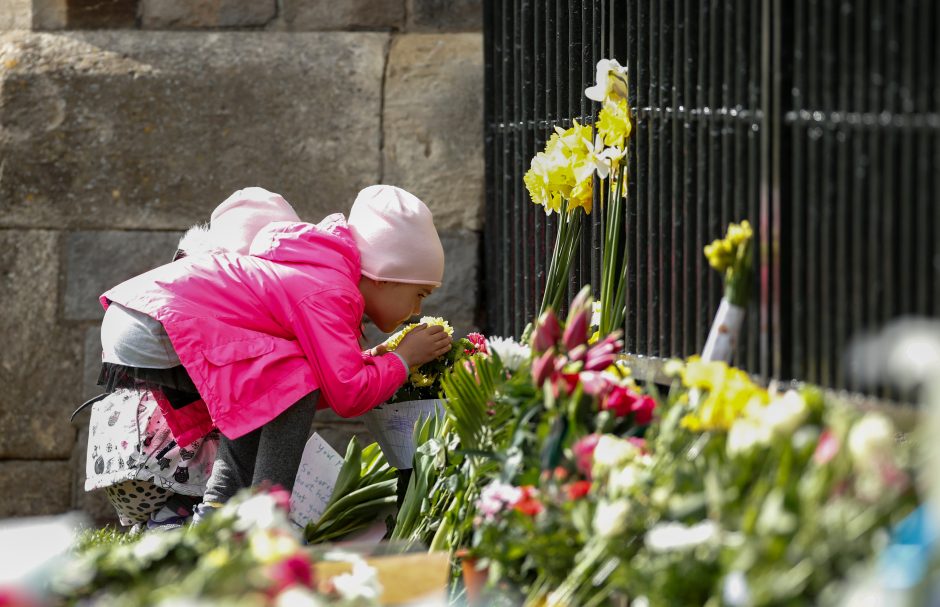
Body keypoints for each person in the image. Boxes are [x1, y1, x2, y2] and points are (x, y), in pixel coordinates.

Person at [91, 184, 451, 524]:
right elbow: (348, 394)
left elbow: (330, 385)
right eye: (418, 294)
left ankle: (219, 517)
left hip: (140, 316)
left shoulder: (319, 275)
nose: (416, 310)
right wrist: (402, 360)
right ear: (383, 276)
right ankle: (268, 518)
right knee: (294, 378)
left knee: (272, 389)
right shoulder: (330, 290)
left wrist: (374, 360)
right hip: (156, 324)